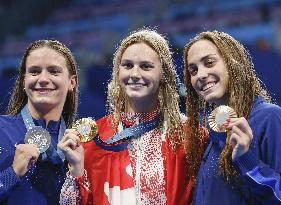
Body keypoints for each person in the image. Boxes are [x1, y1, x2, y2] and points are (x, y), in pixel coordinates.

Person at [59, 28, 205, 205]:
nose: (135, 74)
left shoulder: (190, 135)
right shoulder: (94, 140)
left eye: (146, 66)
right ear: (117, 72)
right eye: (127, 65)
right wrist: (76, 170)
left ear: (163, 74)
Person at [183, 30, 281, 205]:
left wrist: (245, 158)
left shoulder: (269, 117)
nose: (201, 75)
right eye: (193, 70)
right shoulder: (209, 132)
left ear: (232, 62)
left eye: (209, 62)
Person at [0, 39, 78, 204]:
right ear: (23, 81)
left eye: (54, 71)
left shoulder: (78, 145)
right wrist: (13, 173)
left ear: (72, 82)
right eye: (34, 71)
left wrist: (79, 173)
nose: (43, 78)